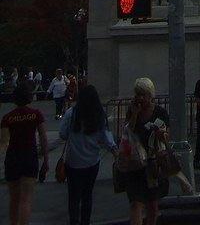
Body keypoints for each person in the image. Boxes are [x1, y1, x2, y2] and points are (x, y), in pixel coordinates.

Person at [59, 84, 118, 225]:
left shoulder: (71, 113)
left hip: (73, 162)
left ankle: (74, 221)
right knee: (87, 195)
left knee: (73, 196)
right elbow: (106, 137)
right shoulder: (99, 115)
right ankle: (85, 222)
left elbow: (62, 134)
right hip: (92, 162)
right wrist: (115, 151)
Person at [121, 77, 170, 225]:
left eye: (144, 94)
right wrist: (135, 113)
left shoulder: (160, 112)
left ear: (151, 95)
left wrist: (162, 134)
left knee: (152, 204)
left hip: (152, 162)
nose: (140, 98)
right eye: (138, 94)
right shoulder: (132, 111)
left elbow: (167, 136)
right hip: (134, 162)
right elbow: (127, 132)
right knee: (135, 202)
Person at [0, 81, 48, 225]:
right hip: (29, 157)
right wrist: (45, 160)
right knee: (25, 199)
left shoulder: (7, 118)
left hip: (13, 158)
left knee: (14, 199)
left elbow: (3, 142)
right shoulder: (36, 114)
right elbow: (43, 139)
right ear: (29, 97)